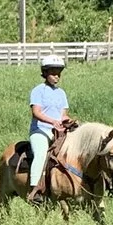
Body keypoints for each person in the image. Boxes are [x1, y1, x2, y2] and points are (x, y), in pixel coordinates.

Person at [26, 57, 69, 202]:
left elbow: (63, 114)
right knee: (41, 154)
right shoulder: (38, 91)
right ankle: (35, 189)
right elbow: (36, 112)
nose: (56, 76)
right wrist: (53, 122)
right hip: (41, 130)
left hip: (58, 131)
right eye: (53, 73)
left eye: (58, 73)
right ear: (45, 73)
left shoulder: (61, 93)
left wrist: (67, 121)